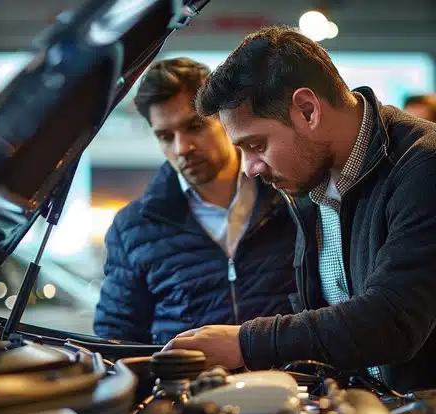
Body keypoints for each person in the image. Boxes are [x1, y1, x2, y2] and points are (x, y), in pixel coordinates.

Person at [163, 28, 436, 392]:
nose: (249, 168)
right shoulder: (310, 183)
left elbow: (393, 320)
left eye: (256, 144)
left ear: (307, 110)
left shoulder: (424, 167)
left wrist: (244, 342)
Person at [94, 57, 297, 345]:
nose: (182, 148)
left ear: (224, 119)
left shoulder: (289, 194)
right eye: (165, 136)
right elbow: (115, 339)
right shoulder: (133, 228)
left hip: (292, 383)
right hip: (190, 387)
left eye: (194, 127)